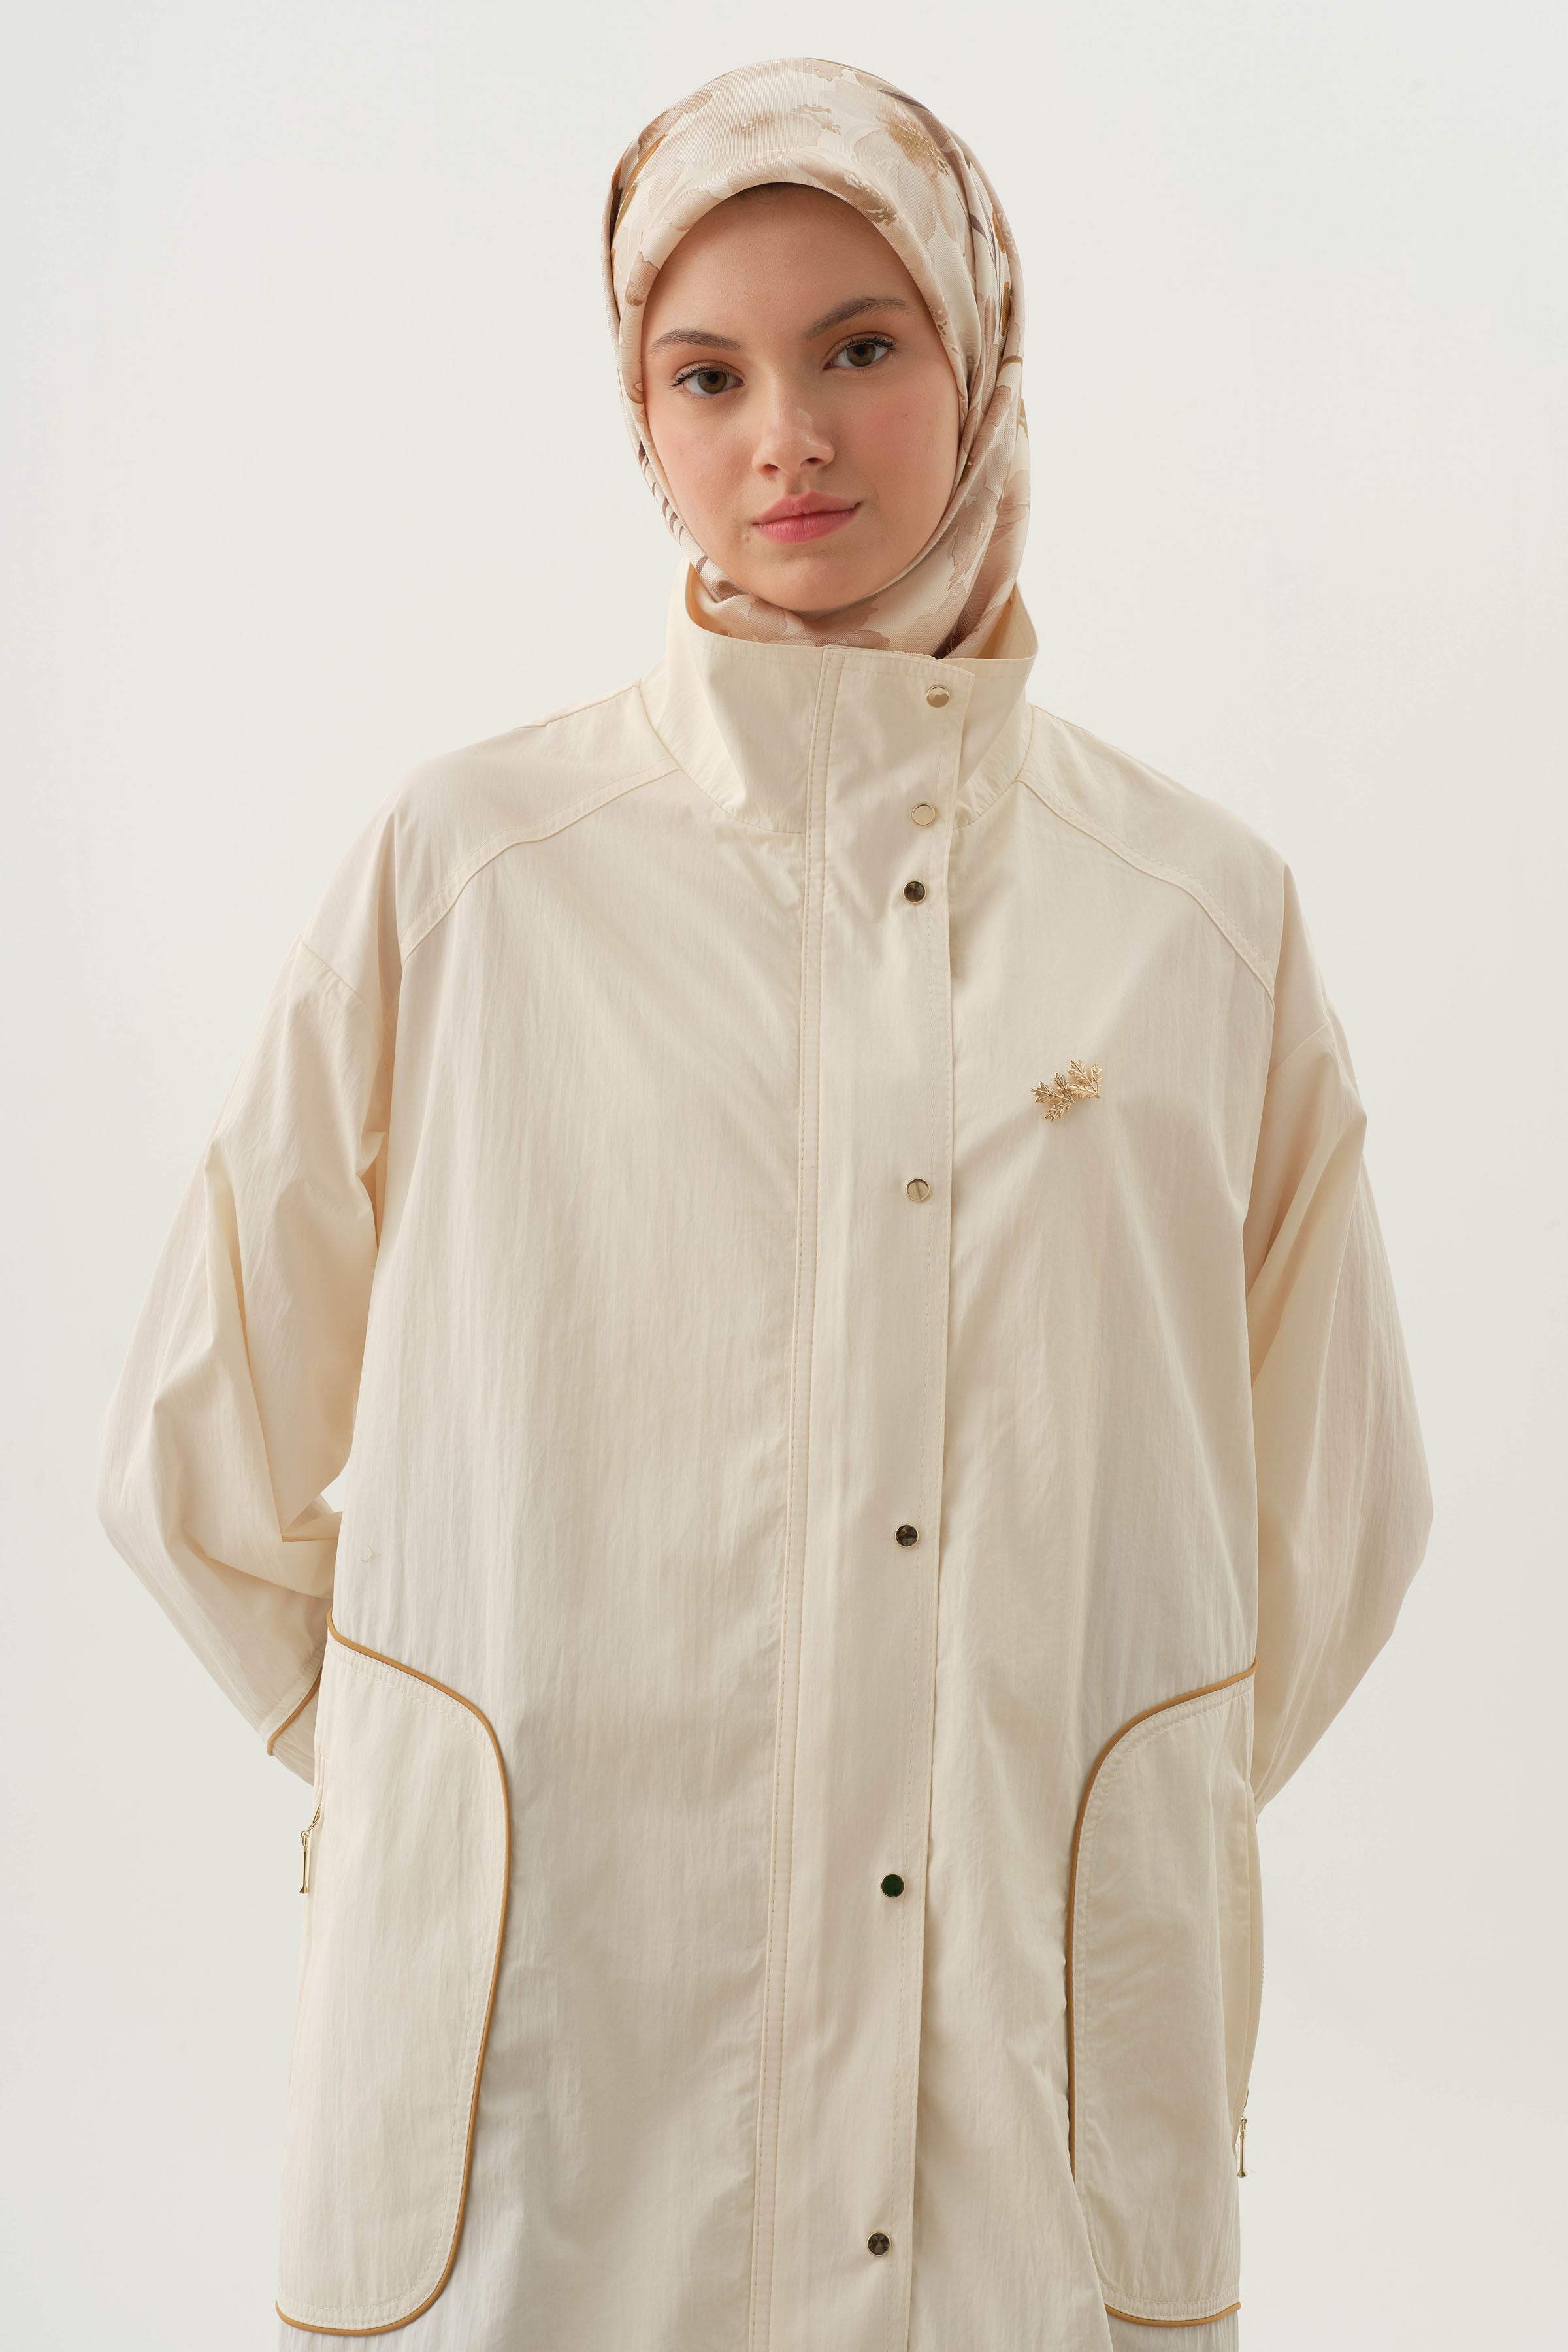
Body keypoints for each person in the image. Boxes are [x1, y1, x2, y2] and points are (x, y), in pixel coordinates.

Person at [95, 56, 1432, 2352]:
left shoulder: (1195, 918)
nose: (786, 438)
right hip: (561, 2077)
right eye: (706, 374)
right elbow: (194, 1459)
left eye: (860, 346)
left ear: (980, 360)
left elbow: (1338, 1517)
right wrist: (453, 1795)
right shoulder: (475, 874)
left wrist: (1074, 1810)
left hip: (1022, 2093)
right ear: (641, 422)